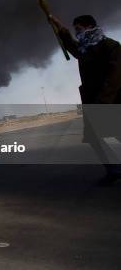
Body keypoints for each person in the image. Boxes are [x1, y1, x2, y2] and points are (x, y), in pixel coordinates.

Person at [49, 14, 121, 184]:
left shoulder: (111, 46)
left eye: (79, 29)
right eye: (75, 30)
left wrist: (103, 102)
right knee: (94, 136)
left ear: (89, 27)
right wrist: (59, 27)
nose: (77, 33)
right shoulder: (85, 49)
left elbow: (116, 76)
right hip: (95, 100)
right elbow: (73, 48)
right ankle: (113, 169)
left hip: (113, 99)